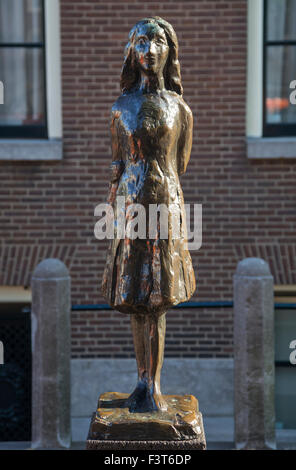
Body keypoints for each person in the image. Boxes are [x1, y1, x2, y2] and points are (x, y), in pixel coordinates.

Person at [101, 16, 196, 413]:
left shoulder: (180, 110)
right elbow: (118, 164)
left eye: (158, 42)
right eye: (142, 42)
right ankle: (142, 380)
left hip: (164, 207)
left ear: (169, 52)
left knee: (157, 299)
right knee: (137, 298)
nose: (150, 50)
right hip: (129, 208)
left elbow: (180, 164)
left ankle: (153, 385)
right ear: (132, 51)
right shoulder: (120, 108)